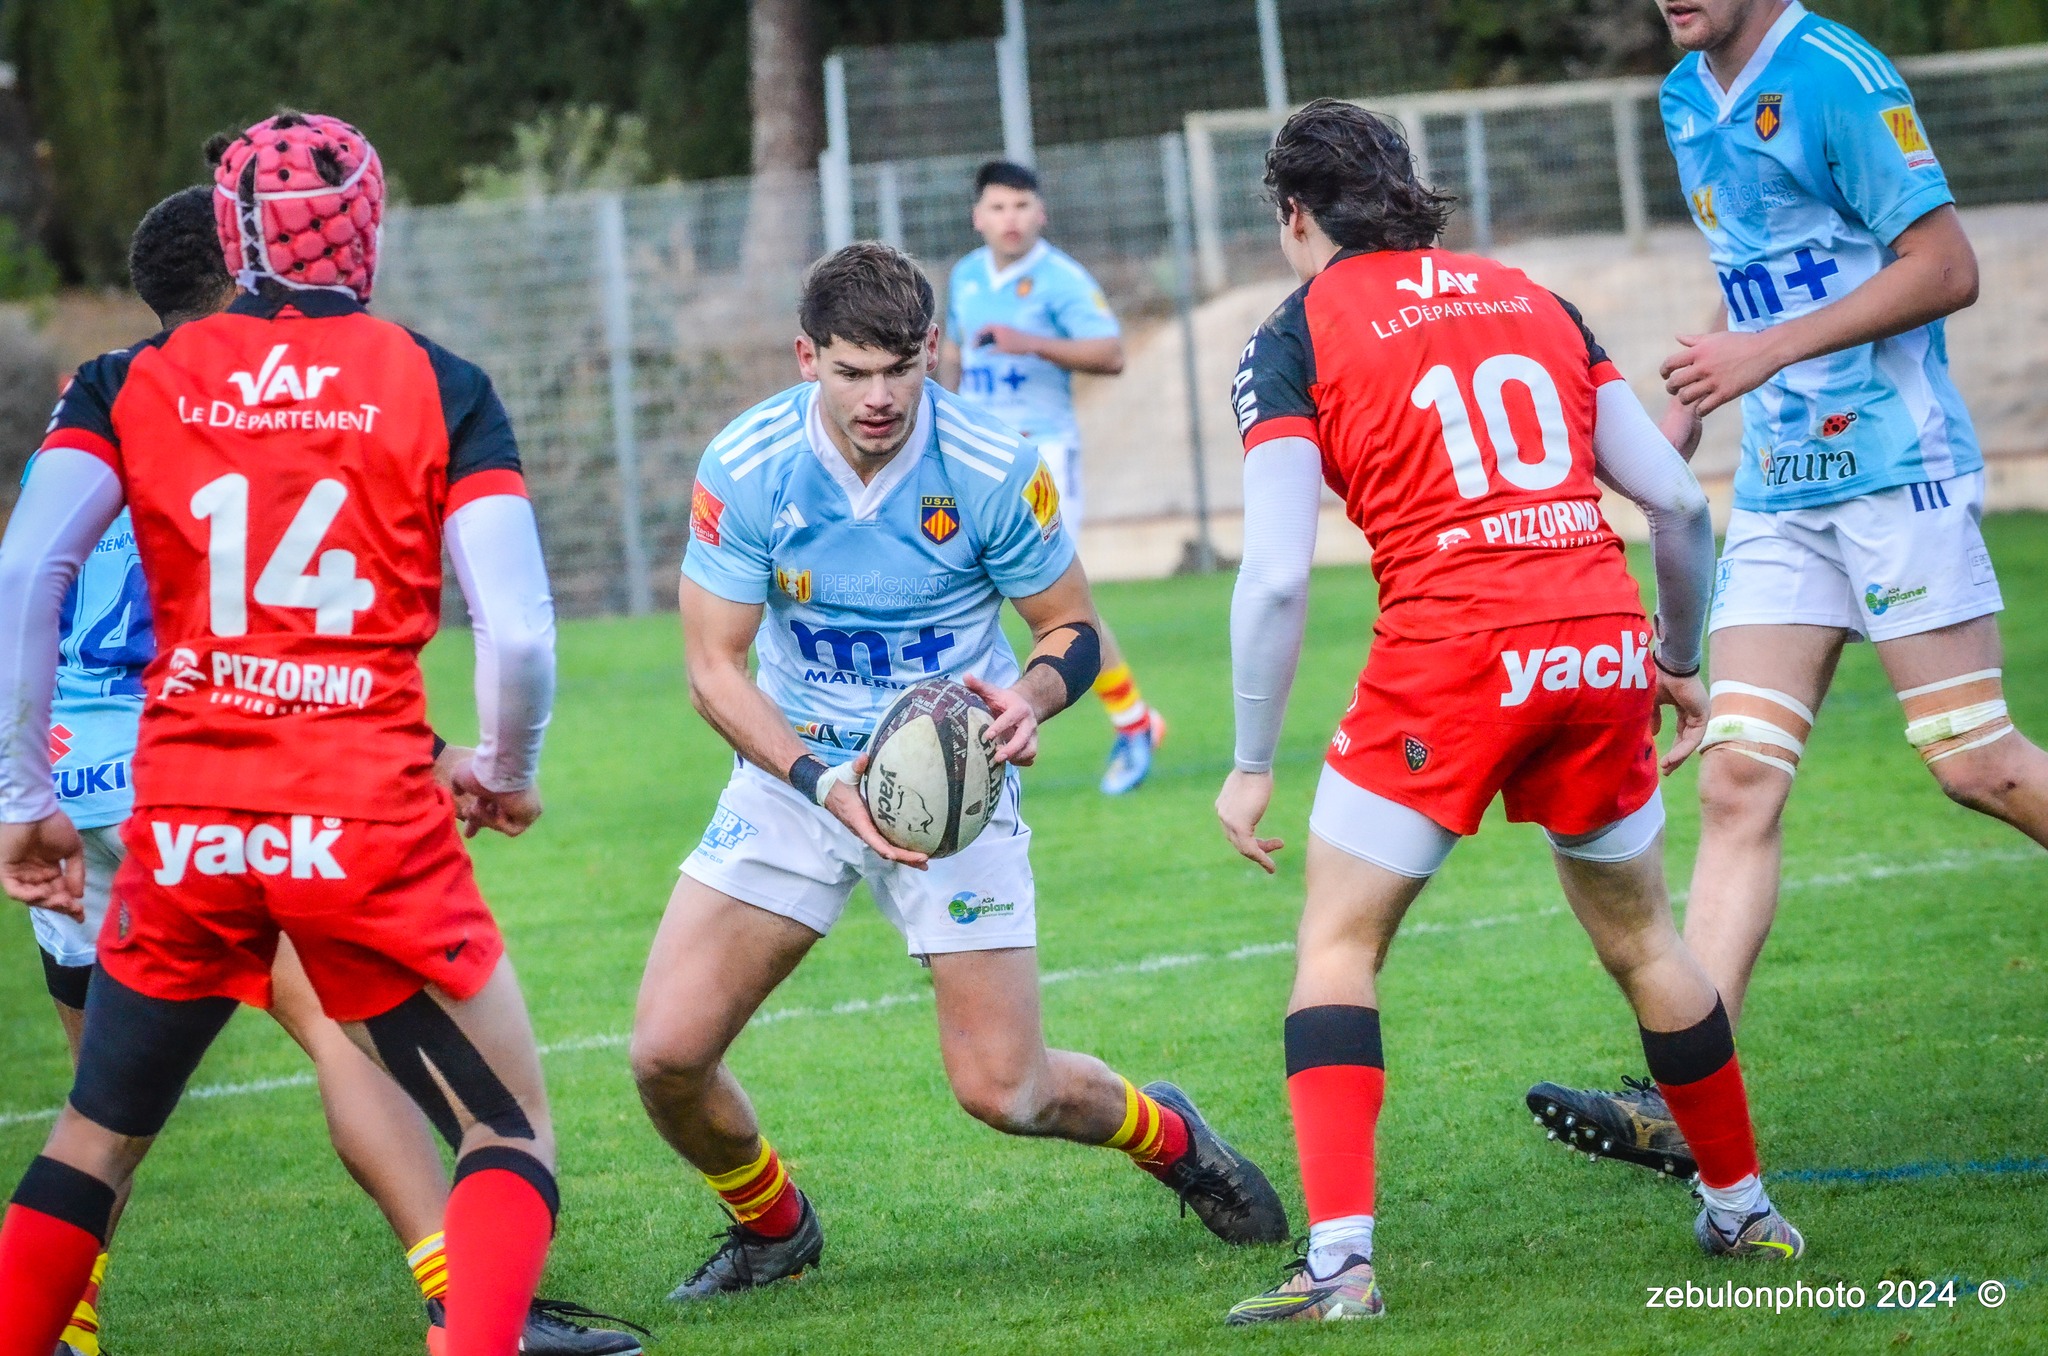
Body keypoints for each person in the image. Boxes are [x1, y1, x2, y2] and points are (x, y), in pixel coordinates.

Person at [12, 184, 639, 1356]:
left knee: (99, 1115)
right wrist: (484, 761)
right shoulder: (319, 409)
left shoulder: (106, 396)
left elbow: (26, 580)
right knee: (363, 1048)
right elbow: (316, 655)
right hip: (254, 777)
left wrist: (19, 790)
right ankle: (463, 1301)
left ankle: (62, 1323)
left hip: (106, 783)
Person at [1213, 101, 1805, 1326]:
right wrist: (1672, 656)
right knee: (1645, 942)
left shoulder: (1294, 329)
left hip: (1452, 649)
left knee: (1338, 944)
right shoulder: (1533, 297)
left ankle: (1340, 1266)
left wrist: (1249, 759)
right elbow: (1675, 505)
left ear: (1293, 214)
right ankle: (1744, 1210)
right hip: (1594, 638)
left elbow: (1271, 574)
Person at [631, 242, 1289, 1302]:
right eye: (852, 371)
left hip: (956, 789)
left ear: (931, 349)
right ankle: (774, 1227)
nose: (879, 396)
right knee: (665, 1057)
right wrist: (819, 779)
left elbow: (1072, 628)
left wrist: (1031, 698)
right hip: (799, 772)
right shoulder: (748, 464)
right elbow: (713, 669)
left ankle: (1166, 1133)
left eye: (900, 367)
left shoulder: (991, 464)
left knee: (1006, 1093)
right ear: (806, 358)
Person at [1527, 0, 2047, 1176]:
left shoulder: (1833, 75)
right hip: (1778, 488)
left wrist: (1763, 352)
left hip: (1893, 471)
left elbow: (1944, 266)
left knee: (1973, 762)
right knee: (1736, 783)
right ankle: (1686, 1099)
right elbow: (1753, 268)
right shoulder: (1683, 95)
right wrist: (1689, 400)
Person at [937, 161, 1165, 796]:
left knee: (1061, 602)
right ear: (978, 217)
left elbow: (1110, 353)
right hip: (975, 459)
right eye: (997, 207)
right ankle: (946, 731)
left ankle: (1133, 722)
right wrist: (942, 417)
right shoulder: (966, 275)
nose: (1009, 219)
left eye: (1021, 206)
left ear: (1040, 213)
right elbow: (953, 353)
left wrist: (1030, 341)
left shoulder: (1061, 279)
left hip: (1043, 457)